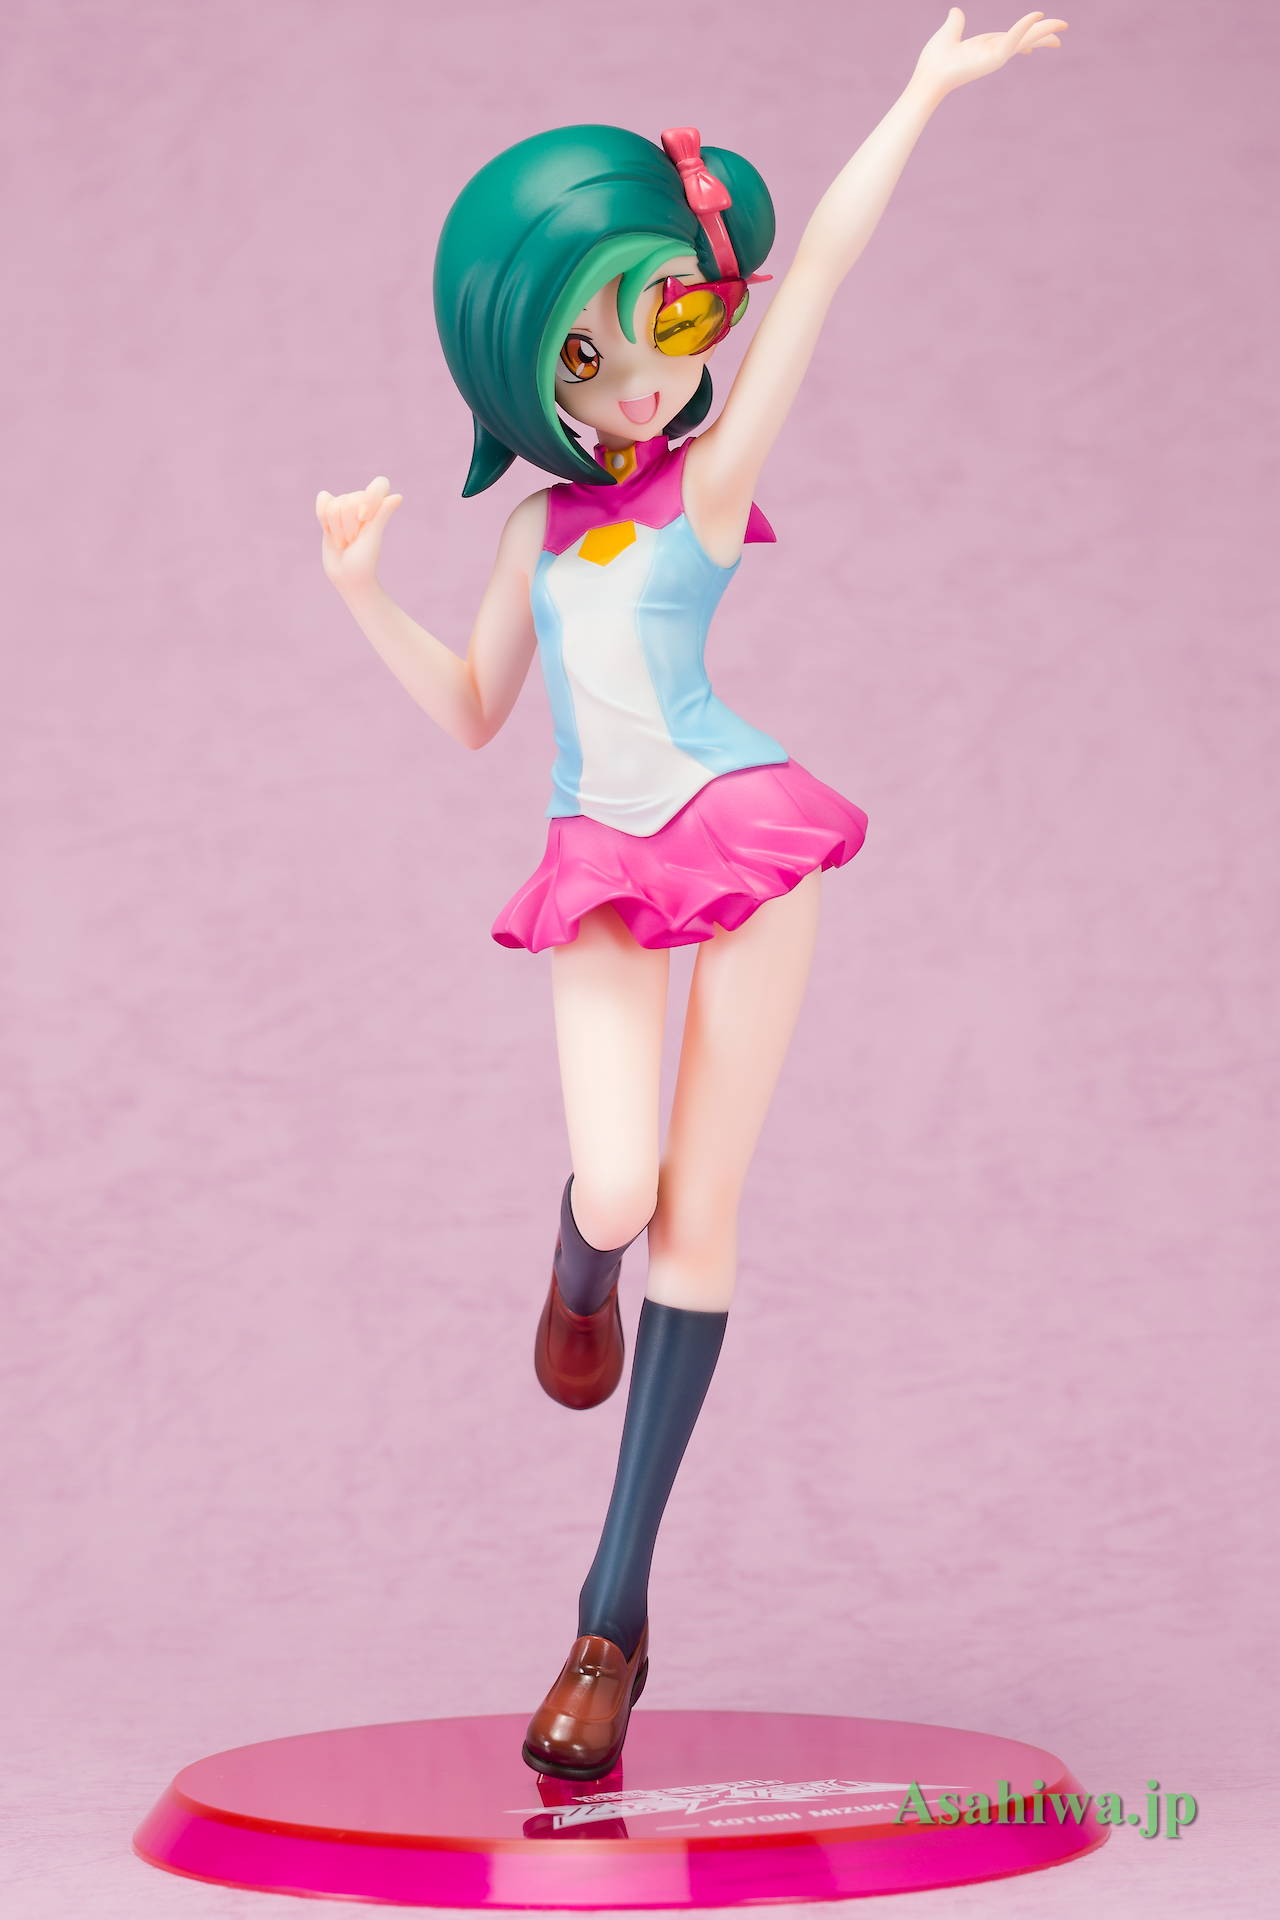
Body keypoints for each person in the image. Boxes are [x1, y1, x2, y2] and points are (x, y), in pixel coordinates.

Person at [316, 8, 1068, 1781]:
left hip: (742, 837)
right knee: (622, 1183)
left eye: (651, 323)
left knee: (706, 1222)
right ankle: (575, 1262)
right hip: (597, 857)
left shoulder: (708, 488)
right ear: (530, 381)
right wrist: (359, 589)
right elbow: (477, 710)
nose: (628, 383)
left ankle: (612, 1618)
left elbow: (826, 280)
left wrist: (920, 94)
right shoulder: (533, 532)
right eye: (579, 355)